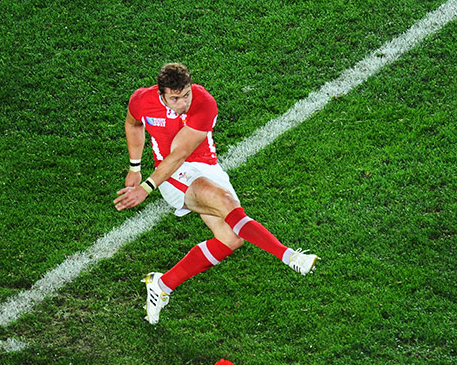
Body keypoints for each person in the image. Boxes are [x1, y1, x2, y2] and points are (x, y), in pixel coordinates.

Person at [114, 63, 318, 325]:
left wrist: (144, 189)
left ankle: (161, 285)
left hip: (203, 166)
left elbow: (181, 153)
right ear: (161, 94)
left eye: (186, 94)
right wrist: (136, 168)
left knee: (230, 239)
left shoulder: (204, 103)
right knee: (224, 203)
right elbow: (134, 125)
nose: (183, 102)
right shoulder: (143, 99)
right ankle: (290, 257)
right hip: (171, 174)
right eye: (175, 98)